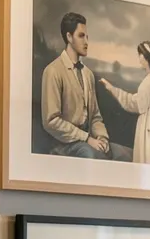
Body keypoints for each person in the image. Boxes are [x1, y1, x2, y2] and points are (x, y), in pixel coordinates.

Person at [40, 12, 111, 159]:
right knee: (92, 155)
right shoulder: (53, 71)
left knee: (124, 154)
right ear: (69, 37)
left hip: (88, 141)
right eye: (81, 36)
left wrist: (103, 138)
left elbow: (96, 117)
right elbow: (51, 121)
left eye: (87, 37)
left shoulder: (88, 74)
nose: (86, 42)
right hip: (63, 145)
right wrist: (86, 138)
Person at [100, 41, 150, 165]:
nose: (139, 58)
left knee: (148, 162)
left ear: (145, 57)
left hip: (148, 128)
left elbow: (134, 104)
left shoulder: (149, 81)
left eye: (140, 55)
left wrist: (111, 89)